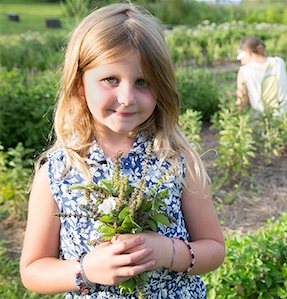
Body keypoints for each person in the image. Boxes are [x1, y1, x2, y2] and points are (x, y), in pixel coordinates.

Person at [20, 3, 225, 298]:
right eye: (110, 80)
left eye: (142, 82)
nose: (127, 98)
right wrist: (86, 270)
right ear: (80, 84)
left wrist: (168, 252)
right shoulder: (59, 171)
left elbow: (214, 248)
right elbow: (32, 270)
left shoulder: (176, 159)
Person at [235, 36, 287, 113]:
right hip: (285, 116)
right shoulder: (279, 62)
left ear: (248, 52)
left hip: (262, 118)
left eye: (240, 56)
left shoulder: (245, 71)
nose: (240, 60)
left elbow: (242, 100)